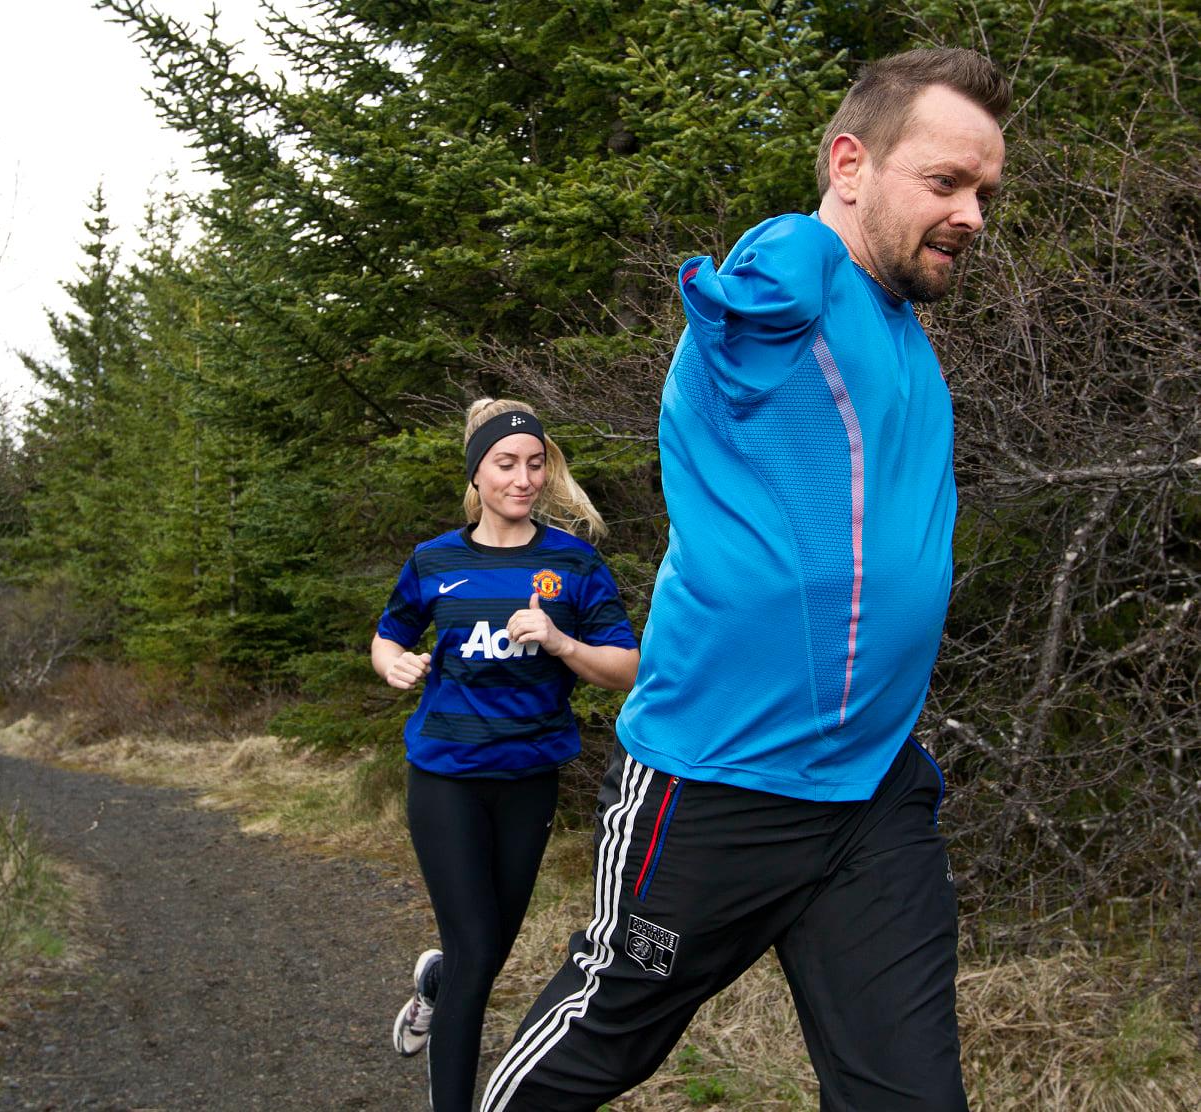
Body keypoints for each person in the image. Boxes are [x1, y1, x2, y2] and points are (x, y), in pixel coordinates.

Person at [480, 48, 1009, 1112]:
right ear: (849, 163)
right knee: (598, 1041)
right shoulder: (799, 268)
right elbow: (758, 285)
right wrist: (774, 268)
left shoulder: (900, 331)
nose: (971, 216)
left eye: (985, 194)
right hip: (717, 782)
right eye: (944, 183)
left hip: (868, 795)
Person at [372, 398, 640, 1112]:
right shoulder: (434, 560)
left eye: (534, 465)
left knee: (485, 955)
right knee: (474, 954)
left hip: (528, 780)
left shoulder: (572, 563)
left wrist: (560, 643)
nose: (522, 480)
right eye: (505, 465)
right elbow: (389, 633)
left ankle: (434, 988)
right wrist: (392, 663)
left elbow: (625, 668)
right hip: (446, 777)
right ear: (477, 472)